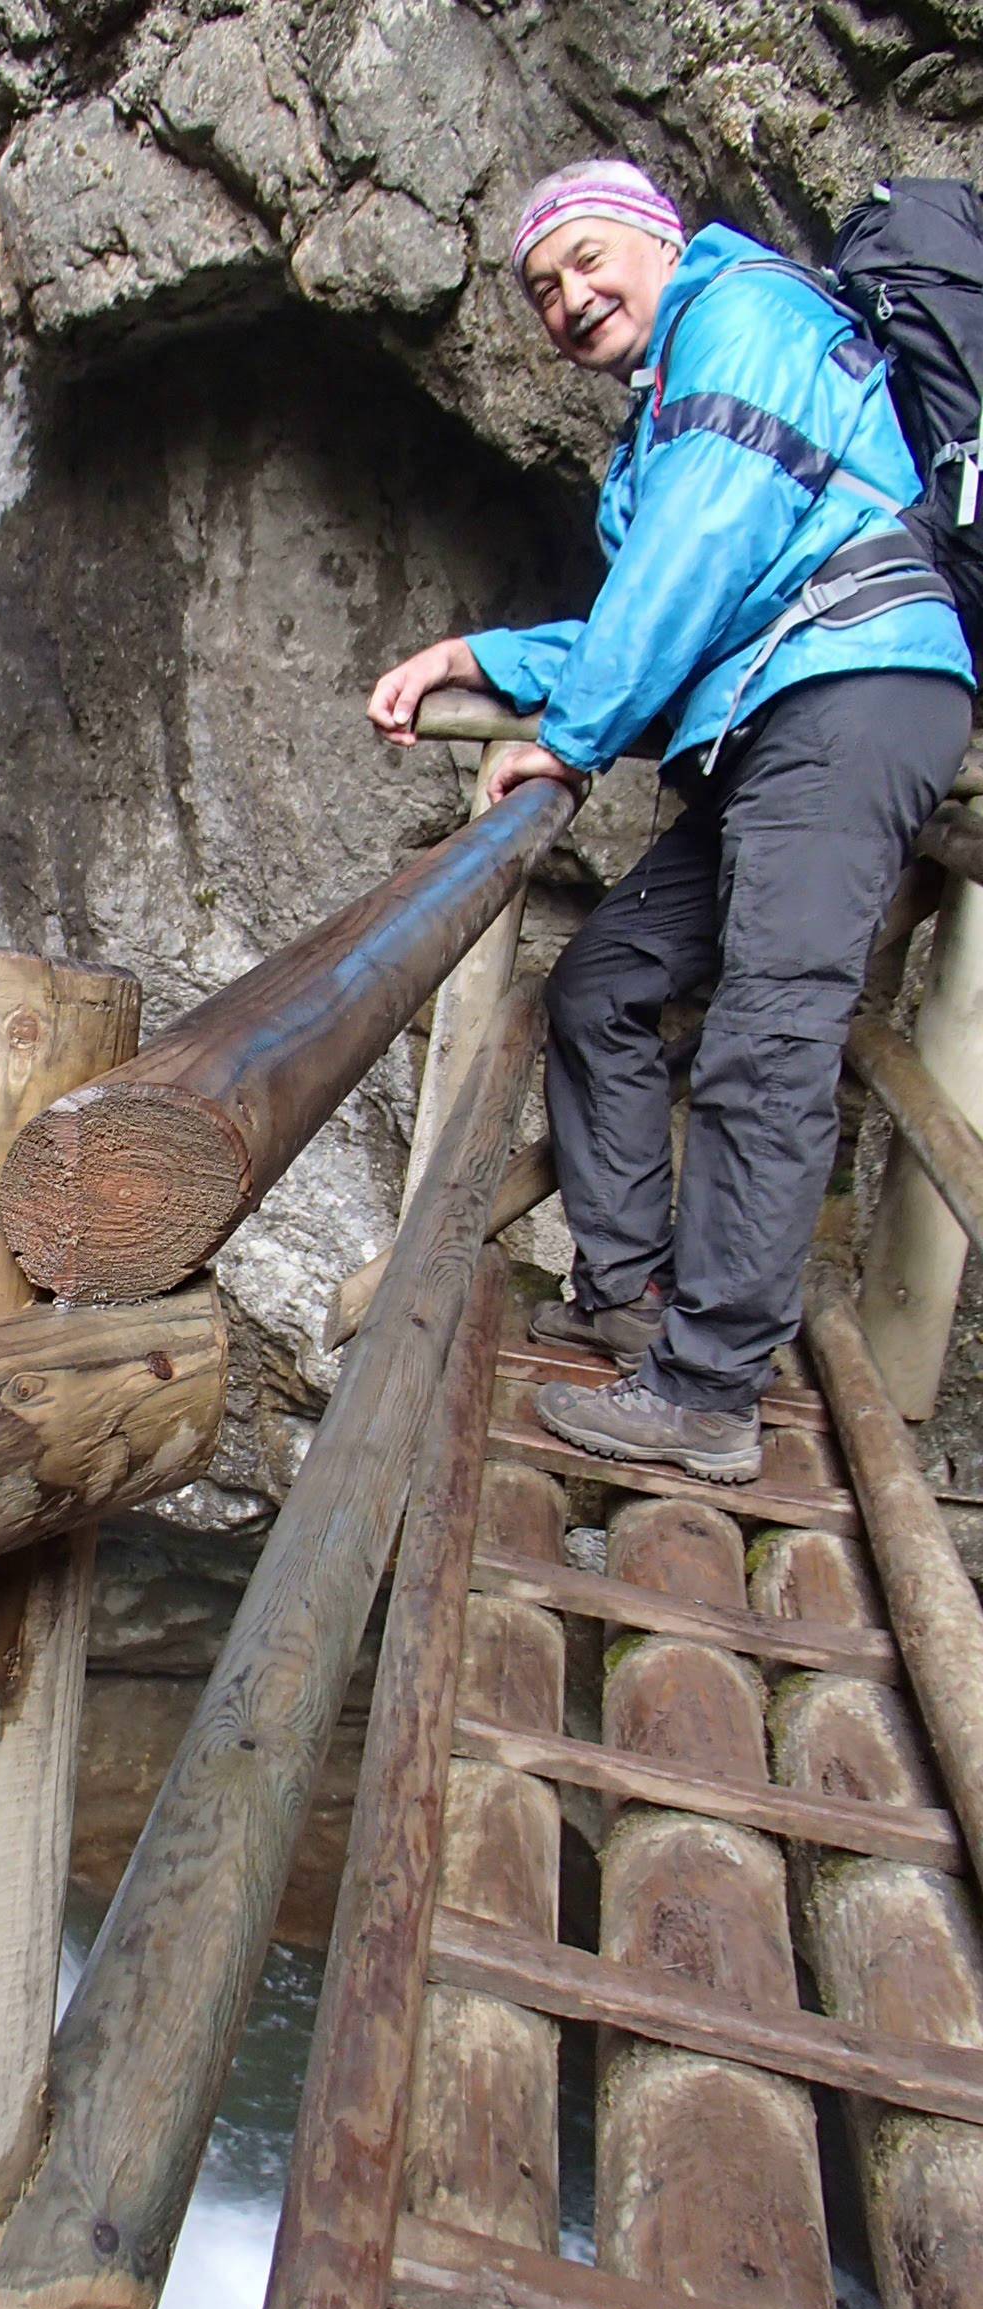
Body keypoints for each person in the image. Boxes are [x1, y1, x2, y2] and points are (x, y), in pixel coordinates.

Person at [370, 159, 975, 1485]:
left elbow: (691, 559)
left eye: (591, 260)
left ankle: (708, 1393)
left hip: (857, 694)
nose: (571, 298)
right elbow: (664, 595)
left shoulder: (743, 317)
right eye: (543, 290)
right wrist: (477, 655)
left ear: (661, 241)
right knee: (603, 986)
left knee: (771, 1036)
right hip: (784, 712)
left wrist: (568, 747)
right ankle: (631, 1295)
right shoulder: (677, 405)